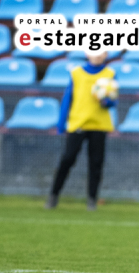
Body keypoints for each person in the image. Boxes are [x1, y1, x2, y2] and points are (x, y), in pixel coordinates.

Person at [46, 50, 116, 211]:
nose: (98, 55)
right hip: (78, 123)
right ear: (87, 53)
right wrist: (61, 123)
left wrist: (106, 101)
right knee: (67, 159)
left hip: (99, 125)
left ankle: (92, 199)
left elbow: (113, 101)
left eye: (102, 52)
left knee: (96, 163)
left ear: (106, 55)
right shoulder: (76, 73)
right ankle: (53, 195)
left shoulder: (110, 73)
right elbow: (67, 98)